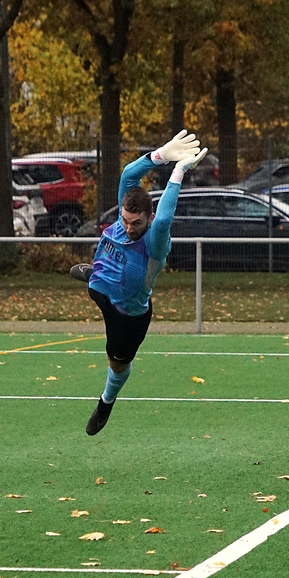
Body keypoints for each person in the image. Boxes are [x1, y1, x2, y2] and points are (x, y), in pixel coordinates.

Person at [70, 130, 207, 436]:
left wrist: (178, 172)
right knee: (99, 283)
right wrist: (161, 154)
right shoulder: (125, 217)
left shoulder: (154, 242)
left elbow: (165, 219)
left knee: (116, 364)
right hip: (103, 289)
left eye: (137, 223)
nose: (129, 228)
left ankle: (106, 401)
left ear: (149, 218)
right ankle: (97, 274)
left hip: (128, 315)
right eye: (125, 220)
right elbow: (129, 174)